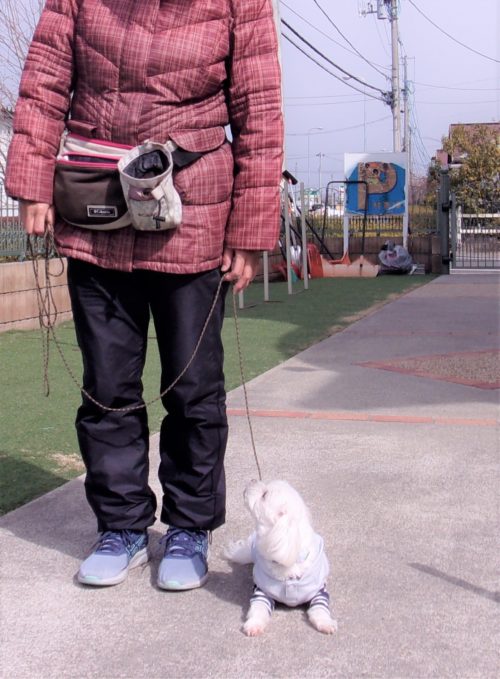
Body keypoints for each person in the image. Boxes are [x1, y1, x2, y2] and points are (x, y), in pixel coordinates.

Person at [5, 0, 283, 590]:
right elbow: (45, 78)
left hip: (195, 210)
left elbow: (259, 109)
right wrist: (31, 182)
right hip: (96, 205)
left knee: (194, 387)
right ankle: (122, 525)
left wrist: (250, 228)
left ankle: (189, 526)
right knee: (107, 386)